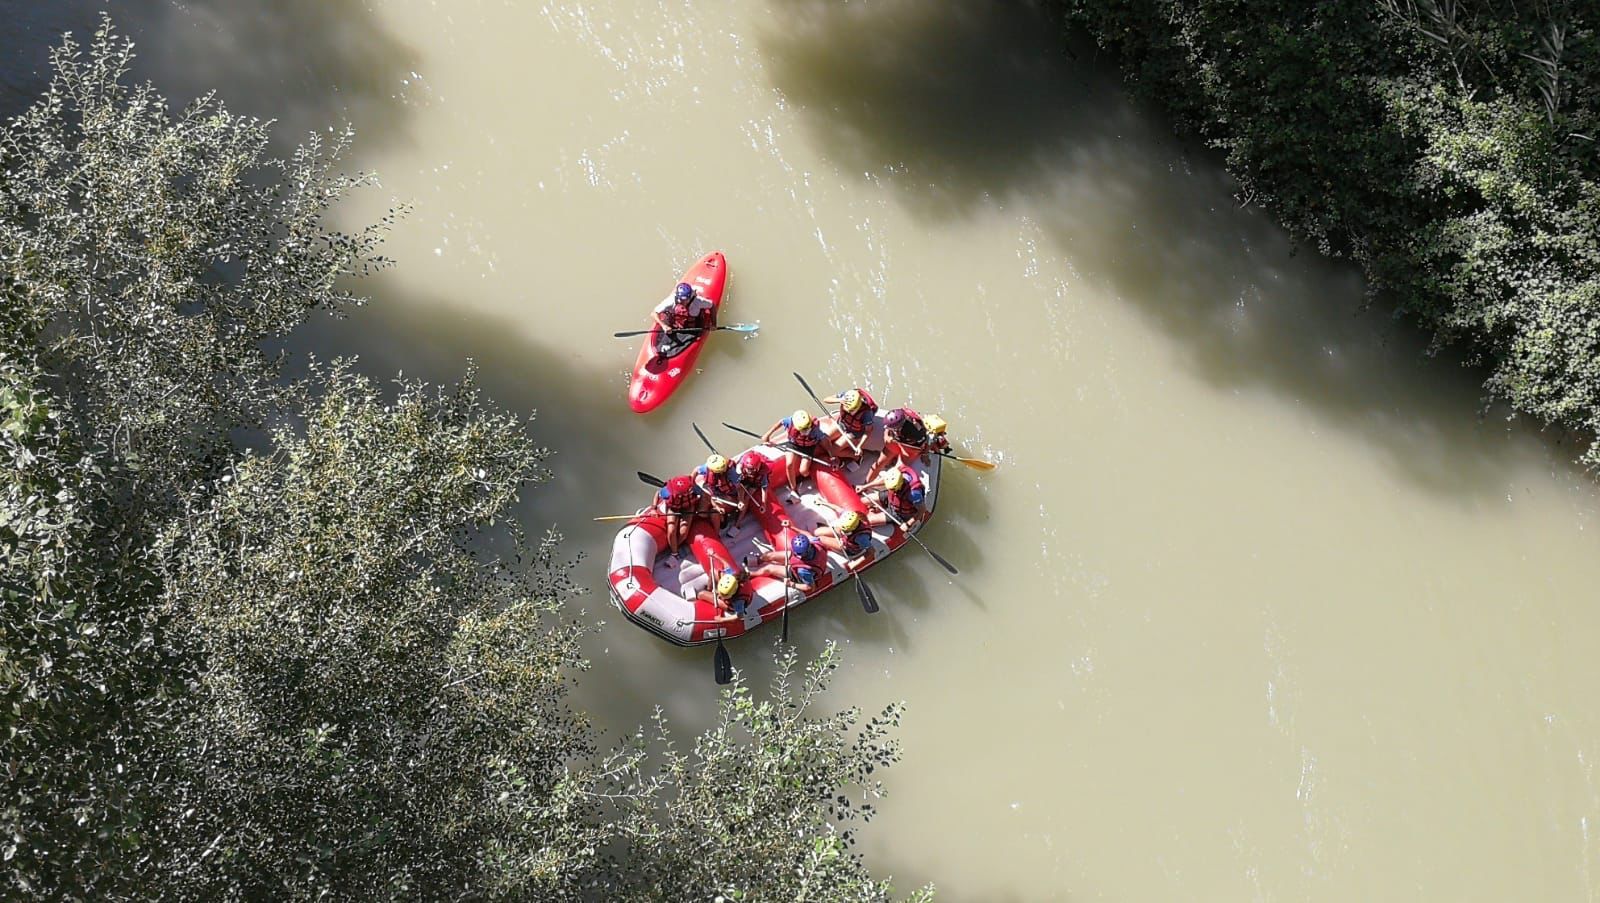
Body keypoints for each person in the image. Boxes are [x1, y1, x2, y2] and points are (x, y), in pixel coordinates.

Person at [762, 409, 826, 491]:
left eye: (806, 429)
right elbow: (781, 422)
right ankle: (793, 488)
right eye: (802, 429)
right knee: (789, 464)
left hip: (808, 447)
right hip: (794, 444)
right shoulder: (790, 421)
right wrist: (768, 434)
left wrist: (832, 455)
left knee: (803, 471)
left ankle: (810, 474)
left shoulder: (814, 428)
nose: (804, 431)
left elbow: (824, 439)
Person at [651, 282, 714, 362]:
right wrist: (663, 326)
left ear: (690, 297)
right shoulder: (670, 301)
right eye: (680, 299)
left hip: (691, 329)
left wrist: (714, 323)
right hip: (673, 327)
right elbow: (653, 313)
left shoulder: (698, 301)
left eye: (685, 300)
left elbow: (712, 306)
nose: (682, 302)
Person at [858, 464, 925, 532]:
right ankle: (875, 508)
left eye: (893, 489)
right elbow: (884, 480)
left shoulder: (914, 494)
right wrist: (864, 487)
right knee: (863, 500)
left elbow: (922, 510)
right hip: (893, 499)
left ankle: (875, 509)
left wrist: (908, 524)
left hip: (900, 513)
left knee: (869, 520)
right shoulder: (896, 473)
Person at [749, 532, 822, 593]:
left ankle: (750, 574)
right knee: (770, 555)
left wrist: (791, 584)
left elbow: (810, 587)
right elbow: (808, 536)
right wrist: (791, 526)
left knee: (769, 569)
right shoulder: (815, 542)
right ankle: (759, 560)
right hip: (802, 561)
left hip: (796, 574)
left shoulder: (803, 571)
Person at [820, 387, 878, 460]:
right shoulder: (845, 396)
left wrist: (859, 446)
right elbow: (826, 399)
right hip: (842, 424)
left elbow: (868, 431)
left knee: (834, 451)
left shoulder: (866, 412)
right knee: (823, 439)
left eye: (852, 410)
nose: (849, 412)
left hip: (854, 432)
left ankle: (857, 457)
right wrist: (839, 400)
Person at [654, 473, 702, 556]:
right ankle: (674, 552)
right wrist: (653, 508)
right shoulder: (667, 492)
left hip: (688, 507)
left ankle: (675, 546)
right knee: (671, 529)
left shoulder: (693, 488)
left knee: (683, 533)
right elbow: (657, 494)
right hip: (673, 508)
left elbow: (702, 494)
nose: (691, 491)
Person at [693, 453, 740, 534]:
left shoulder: (731, 472)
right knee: (702, 513)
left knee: (714, 512)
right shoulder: (708, 468)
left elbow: (740, 488)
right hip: (715, 495)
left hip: (729, 496)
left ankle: (718, 528)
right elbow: (696, 470)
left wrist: (741, 501)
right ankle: (711, 516)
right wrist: (692, 483)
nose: (723, 471)